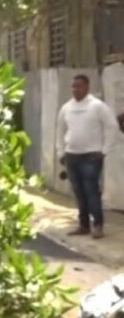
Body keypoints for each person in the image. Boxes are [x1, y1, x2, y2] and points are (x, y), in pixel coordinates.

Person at [56, 74, 119, 239]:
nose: (76, 89)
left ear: (87, 87)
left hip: (91, 157)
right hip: (71, 156)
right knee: (78, 192)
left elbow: (112, 127)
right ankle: (83, 225)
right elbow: (59, 132)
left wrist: (104, 151)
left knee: (91, 191)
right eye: (73, 87)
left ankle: (97, 225)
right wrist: (61, 153)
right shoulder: (66, 108)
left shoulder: (97, 106)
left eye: (79, 86)